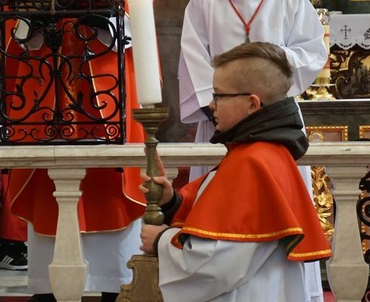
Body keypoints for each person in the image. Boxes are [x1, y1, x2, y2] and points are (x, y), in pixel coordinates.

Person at [4, 0, 146, 302]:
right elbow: (11, 16)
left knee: (108, 180)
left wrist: (101, 27)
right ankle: (50, 286)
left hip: (106, 88)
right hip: (47, 90)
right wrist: (36, 28)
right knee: (51, 185)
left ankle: (110, 283)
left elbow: (140, 12)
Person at [177, 0, 327, 301]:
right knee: (218, 202)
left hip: (274, 120)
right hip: (221, 120)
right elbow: (193, 55)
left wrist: (267, 78)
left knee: (280, 202)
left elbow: (311, 52)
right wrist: (217, 106)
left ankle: (292, 289)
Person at [142, 42, 332, 301]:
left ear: (252, 103)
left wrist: (162, 241)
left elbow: (215, 265)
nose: (211, 104)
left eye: (218, 95)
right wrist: (172, 202)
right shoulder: (264, 152)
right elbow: (221, 218)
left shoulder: (252, 162)